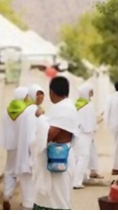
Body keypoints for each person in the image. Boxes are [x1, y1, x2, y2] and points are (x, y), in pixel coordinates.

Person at [32, 76, 79, 210]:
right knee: (50, 199)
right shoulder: (63, 107)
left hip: (59, 159)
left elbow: (50, 134)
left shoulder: (64, 108)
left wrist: (41, 117)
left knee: (58, 200)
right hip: (57, 158)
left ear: (52, 92)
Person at [0, 86, 38, 210]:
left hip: (10, 144)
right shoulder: (27, 111)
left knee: (9, 170)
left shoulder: (7, 110)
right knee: (23, 171)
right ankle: (27, 200)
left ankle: (6, 194)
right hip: (21, 145)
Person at [73, 82, 100, 188]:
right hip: (85, 134)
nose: (92, 93)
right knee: (84, 157)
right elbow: (90, 122)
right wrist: (93, 131)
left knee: (77, 157)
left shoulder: (77, 104)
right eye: (90, 91)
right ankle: (76, 182)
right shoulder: (88, 106)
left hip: (77, 134)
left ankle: (82, 177)